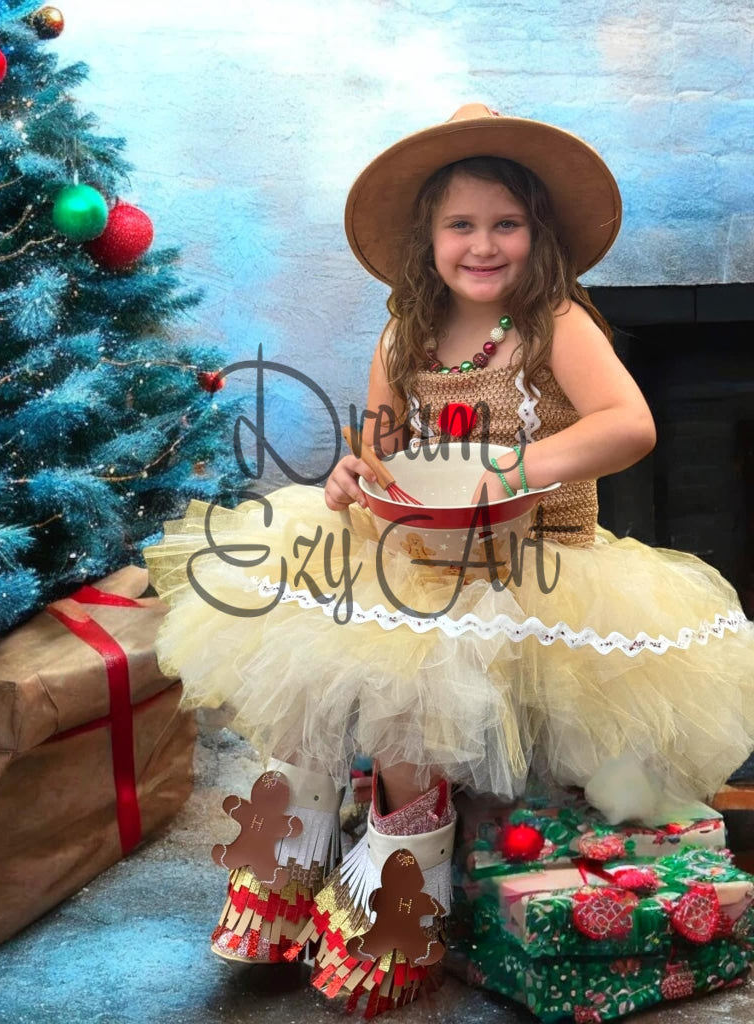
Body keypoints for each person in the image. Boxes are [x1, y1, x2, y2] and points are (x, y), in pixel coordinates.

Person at [145, 104, 754, 1015]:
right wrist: (356, 470)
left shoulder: (552, 323)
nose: (483, 244)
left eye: (505, 224)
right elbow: (386, 443)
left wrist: (513, 465)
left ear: (536, 234)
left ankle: (399, 913)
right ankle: (282, 875)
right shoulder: (406, 331)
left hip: (534, 555)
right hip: (420, 550)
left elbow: (630, 425)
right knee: (305, 671)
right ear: (426, 239)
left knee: (408, 707)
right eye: (460, 225)